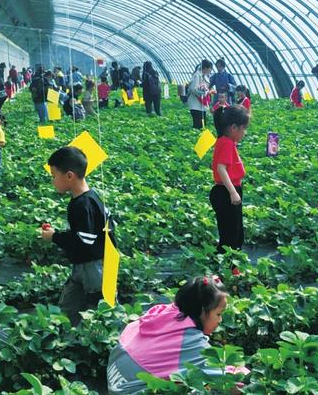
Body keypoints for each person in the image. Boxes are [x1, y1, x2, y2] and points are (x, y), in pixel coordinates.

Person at [107, 276, 247, 394]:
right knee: (200, 384)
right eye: (218, 314)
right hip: (131, 390)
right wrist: (250, 378)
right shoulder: (189, 342)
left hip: (115, 377)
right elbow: (227, 379)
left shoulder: (165, 312)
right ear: (203, 311)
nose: (220, 320)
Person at [40, 146, 116, 325]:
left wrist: (54, 237)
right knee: (68, 306)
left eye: (54, 176)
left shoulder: (82, 204)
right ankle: (68, 336)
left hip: (93, 267)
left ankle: (109, 341)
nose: (53, 181)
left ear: (69, 176)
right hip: (86, 264)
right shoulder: (90, 197)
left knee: (102, 308)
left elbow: (85, 241)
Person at [210, 105, 250, 253]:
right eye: (243, 128)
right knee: (233, 233)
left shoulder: (223, 141)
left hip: (222, 191)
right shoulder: (227, 143)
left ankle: (226, 262)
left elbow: (218, 165)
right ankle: (232, 266)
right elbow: (221, 168)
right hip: (227, 192)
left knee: (227, 230)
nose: (244, 132)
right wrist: (233, 192)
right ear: (233, 128)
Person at [187, 60, 214, 130]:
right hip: (195, 104)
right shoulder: (197, 75)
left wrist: (207, 91)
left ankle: (200, 138)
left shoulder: (204, 76)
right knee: (198, 124)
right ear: (205, 68)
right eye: (210, 69)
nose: (210, 71)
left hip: (201, 104)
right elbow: (193, 89)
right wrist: (202, 91)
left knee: (203, 124)